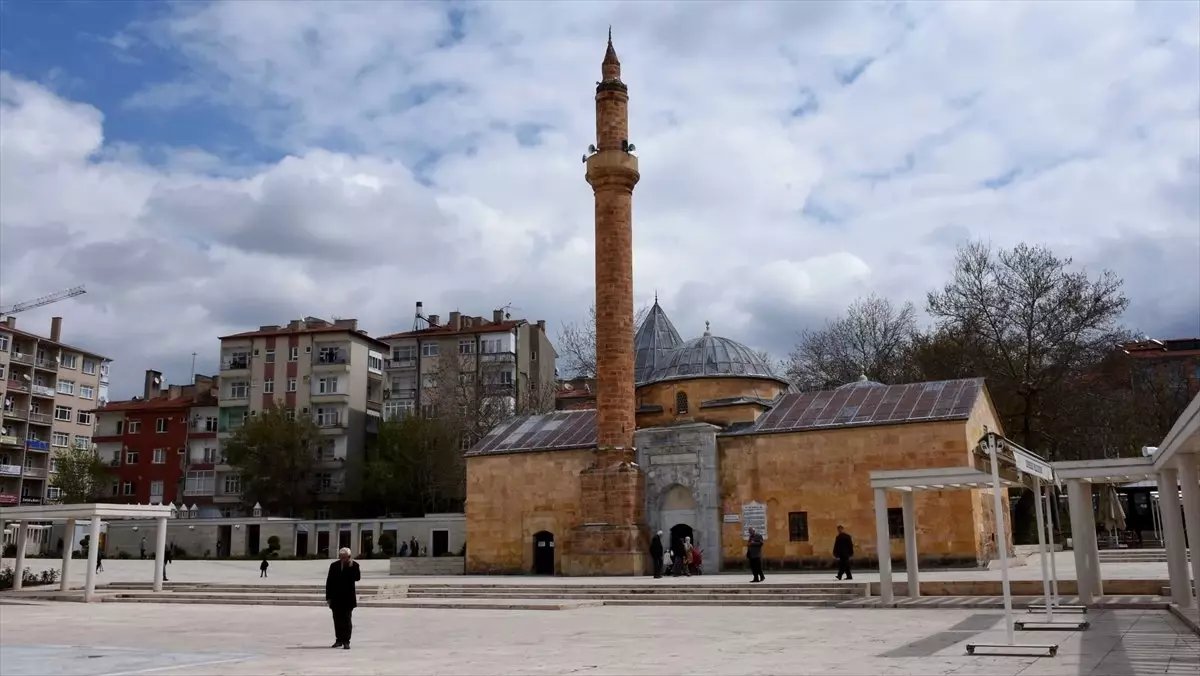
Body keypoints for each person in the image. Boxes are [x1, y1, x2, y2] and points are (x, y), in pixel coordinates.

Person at [326, 547, 361, 649]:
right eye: (341, 557)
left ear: (349, 557)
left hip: (347, 598)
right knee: (337, 620)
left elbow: (357, 578)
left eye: (345, 557)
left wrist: (351, 567)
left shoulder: (354, 565)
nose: (343, 559)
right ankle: (339, 640)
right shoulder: (334, 565)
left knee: (346, 620)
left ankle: (346, 641)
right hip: (336, 598)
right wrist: (328, 597)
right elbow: (329, 582)